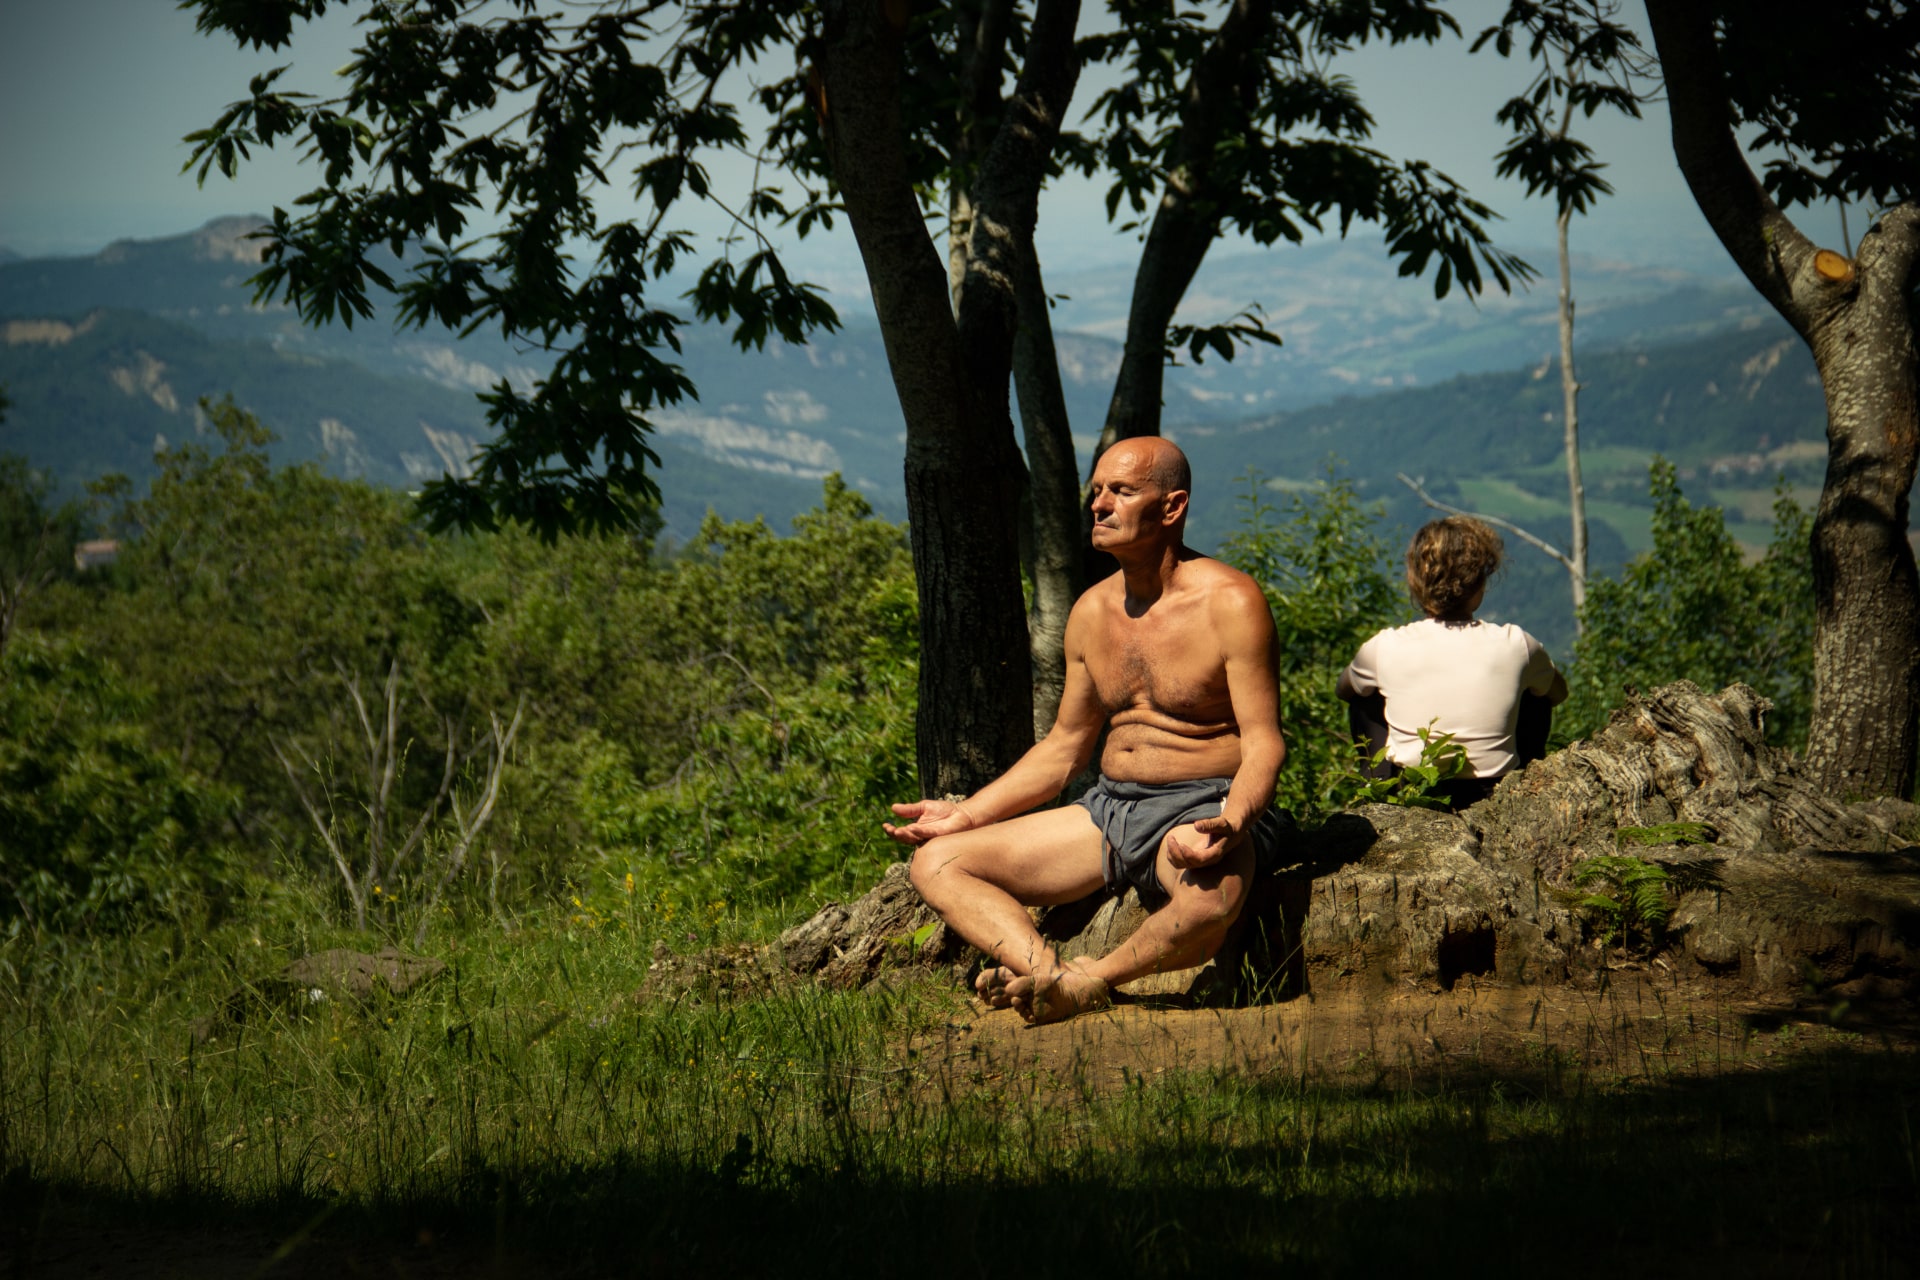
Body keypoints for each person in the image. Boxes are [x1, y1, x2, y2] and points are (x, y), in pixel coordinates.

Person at [885, 438, 1287, 1026]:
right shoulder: (1091, 612)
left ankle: (1092, 979)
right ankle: (1042, 972)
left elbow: (1264, 741)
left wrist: (1234, 820)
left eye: (1121, 491)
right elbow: (1064, 749)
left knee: (1211, 903)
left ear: (1171, 507)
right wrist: (967, 814)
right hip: (1110, 810)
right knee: (938, 864)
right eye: (1096, 491)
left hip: (1204, 806)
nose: (1098, 505)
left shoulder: (1231, 601)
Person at [1336, 516, 1568, 810]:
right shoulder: (1517, 643)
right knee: (1537, 693)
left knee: (1364, 695)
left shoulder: (1384, 647)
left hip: (1413, 783)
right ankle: (1528, 780)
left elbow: (1343, 690)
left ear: (1415, 581)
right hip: (1494, 786)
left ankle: (1377, 788)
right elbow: (1558, 693)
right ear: (1480, 584)